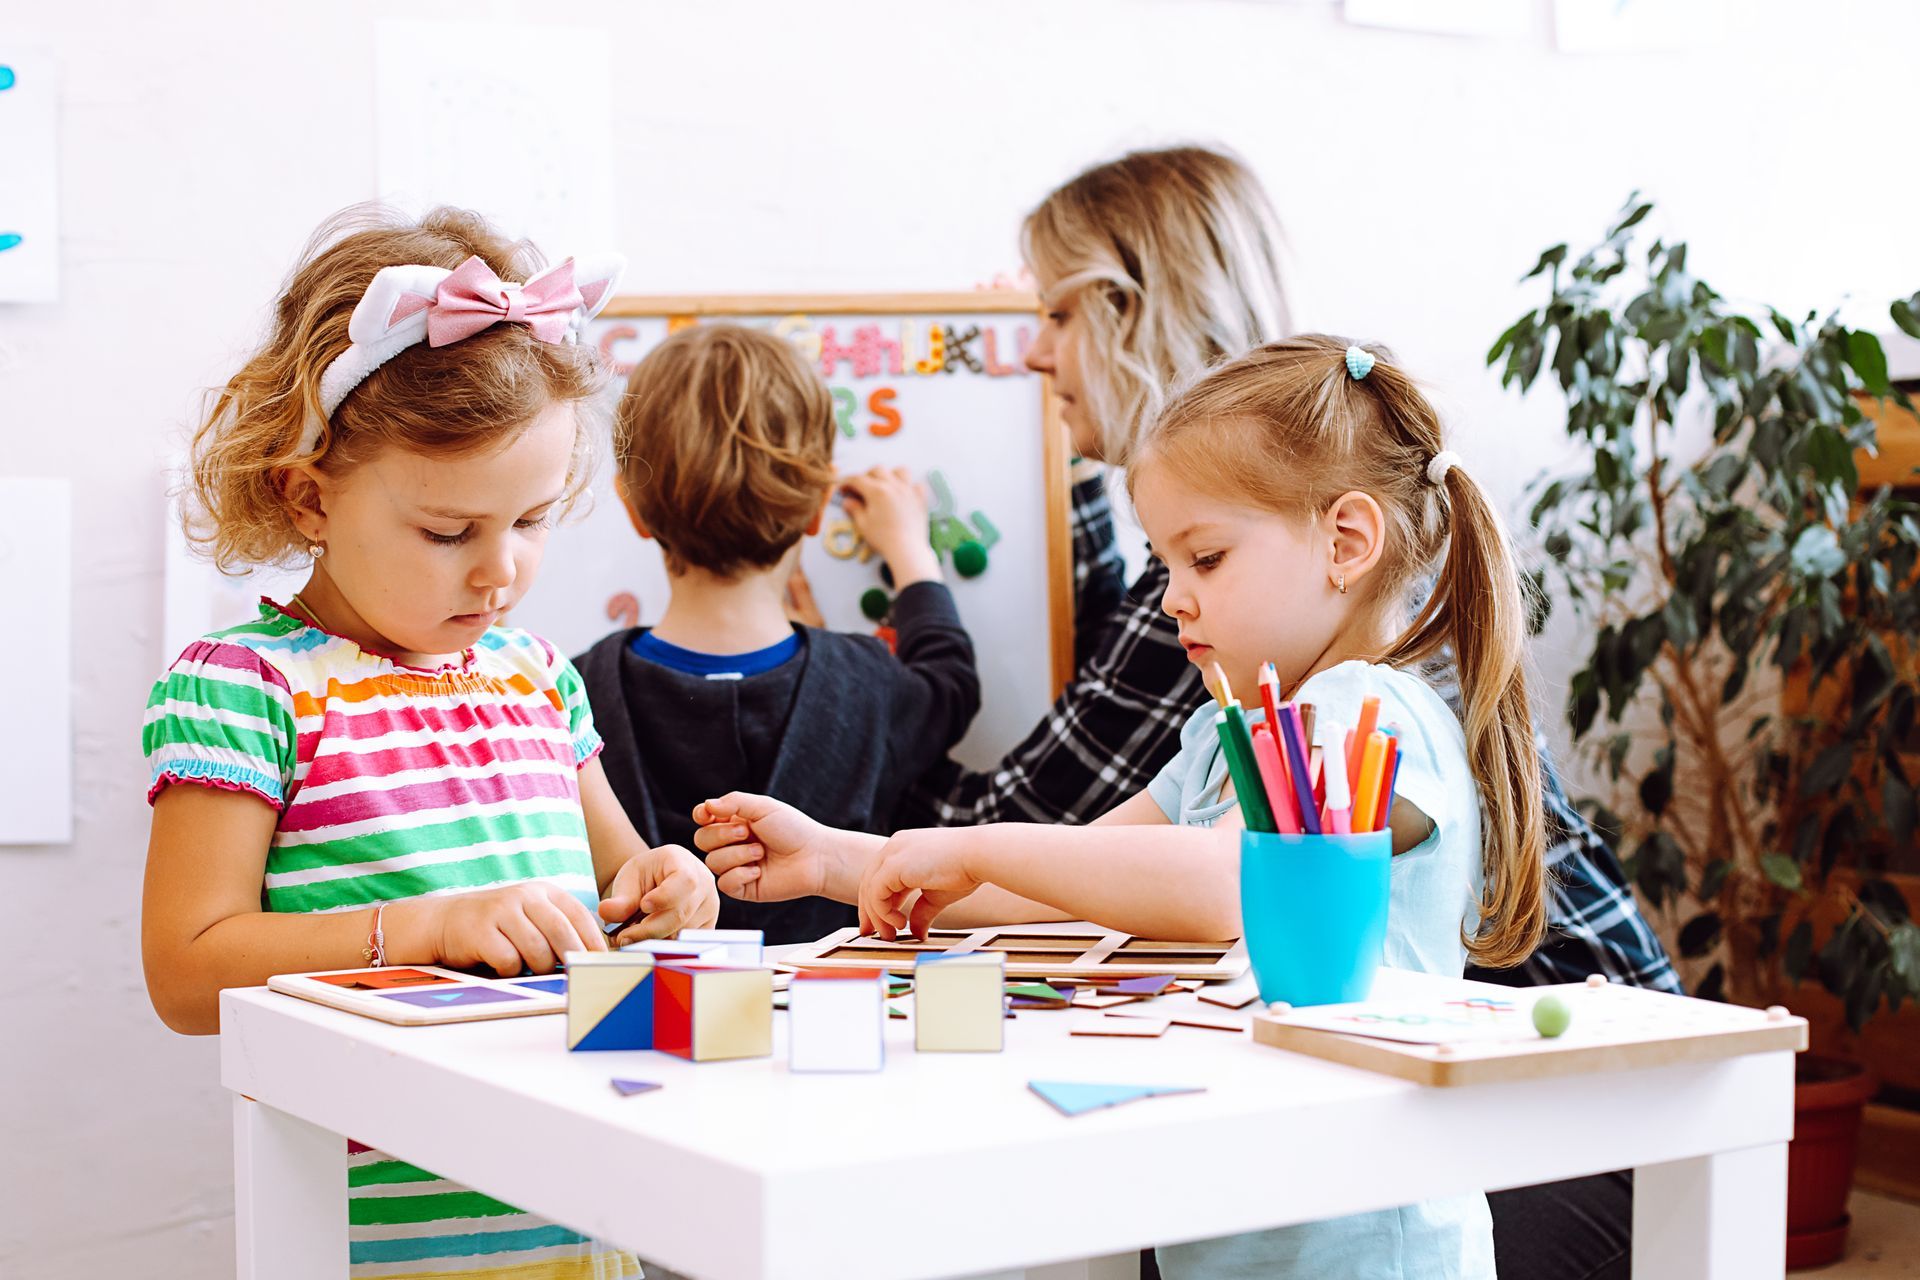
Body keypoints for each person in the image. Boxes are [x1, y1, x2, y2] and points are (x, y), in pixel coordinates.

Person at [697, 335, 1544, 1277]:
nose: (1174, 599)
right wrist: (845, 861)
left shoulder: (1374, 715)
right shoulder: (1225, 736)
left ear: (1346, 542)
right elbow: (1070, 881)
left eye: (1207, 559)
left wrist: (981, 844)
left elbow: (1225, 880)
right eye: (1165, 563)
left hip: (1362, 1236)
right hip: (1234, 1218)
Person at [142, 205, 718, 1279]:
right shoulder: (247, 689)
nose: (499, 571)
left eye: (533, 520)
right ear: (308, 495)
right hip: (381, 1239)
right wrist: (428, 924)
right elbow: (185, 971)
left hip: (584, 1206)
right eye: (451, 533)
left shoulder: (536, 676)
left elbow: (614, 881)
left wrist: (666, 883)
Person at [574, 323, 980, 944]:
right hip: (833, 1023)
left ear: (629, 505)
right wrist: (910, 552)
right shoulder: (871, 684)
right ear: (820, 508)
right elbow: (951, 684)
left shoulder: (565, 697)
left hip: (643, 1028)